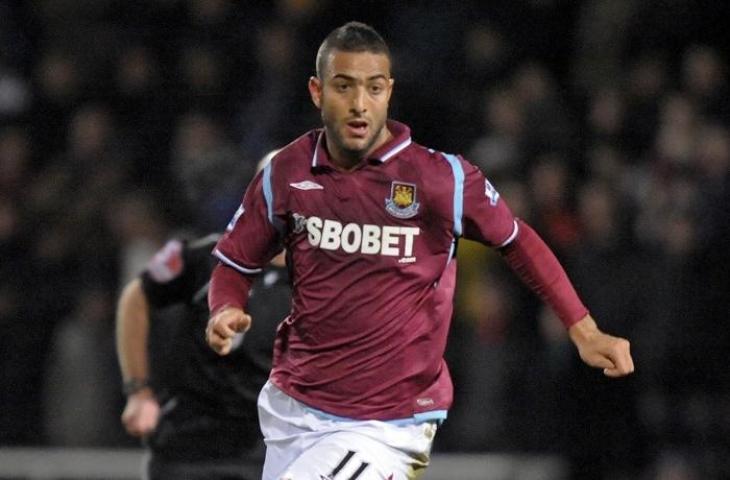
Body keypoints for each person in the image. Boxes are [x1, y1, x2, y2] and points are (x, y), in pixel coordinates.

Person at [206, 21, 634, 480]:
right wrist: (224, 307)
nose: (358, 104)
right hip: (292, 407)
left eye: (373, 88)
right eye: (344, 86)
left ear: (389, 92)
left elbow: (517, 240)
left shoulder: (440, 179)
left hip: (385, 423)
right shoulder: (285, 173)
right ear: (317, 90)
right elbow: (235, 260)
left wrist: (583, 328)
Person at [115, 230, 290, 480]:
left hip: (266, 448)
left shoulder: (323, 279)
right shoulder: (209, 257)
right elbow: (138, 295)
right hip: (188, 443)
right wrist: (138, 390)